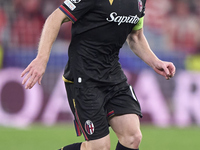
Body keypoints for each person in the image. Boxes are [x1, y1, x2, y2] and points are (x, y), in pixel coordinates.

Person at [21, 0, 176, 150]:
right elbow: (55, 18)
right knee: (99, 147)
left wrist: (156, 62)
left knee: (132, 137)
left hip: (113, 75)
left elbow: (136, 37)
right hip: (84, 78)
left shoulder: (139, 2)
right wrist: (42, 58)